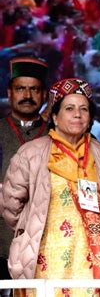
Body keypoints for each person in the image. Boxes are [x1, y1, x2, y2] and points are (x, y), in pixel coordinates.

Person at [1, 78, 100, 294]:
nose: (78, 114)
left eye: (84, 109)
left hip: (89, 259)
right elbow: (10, 205)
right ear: (55, 116)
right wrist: (32, 228)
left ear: (90, 117)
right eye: (70, 108)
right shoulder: (32, 153)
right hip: (45, 257)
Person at [0, 57, 49, 267]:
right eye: (20, 89)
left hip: (46, 242)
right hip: (2, 240)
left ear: (44, 95)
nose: (27, 96)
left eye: (34, 90)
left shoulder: (57, 134)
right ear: (9, 93)